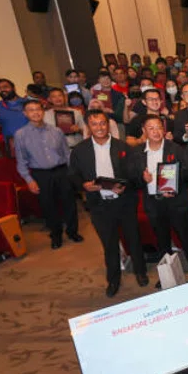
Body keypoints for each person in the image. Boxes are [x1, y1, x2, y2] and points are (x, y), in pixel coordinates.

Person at [69, 110, 148, 297]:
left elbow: (134, 176)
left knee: (133, 239)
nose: (99, 127)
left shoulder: (123, 147)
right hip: (99, 205)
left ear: (108, 124)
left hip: (124, 202)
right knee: (109, 243)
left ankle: (140, 272)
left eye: (102, 123)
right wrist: (84, 186)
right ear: (88, 127)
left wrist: (124, 187)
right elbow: (73, 175)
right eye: (94, 124)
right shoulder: (80, 150)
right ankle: (113, 279)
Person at [129, 114, 188, 283]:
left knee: (186, 238)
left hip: (176, 202)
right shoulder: (137, 152)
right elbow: (131, 178)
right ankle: (168, 275)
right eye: (151, 128)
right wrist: (143, 179)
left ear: (164, 129)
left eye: (158, 127)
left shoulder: (175, 148)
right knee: (162, 241)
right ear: (144, 131)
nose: (156, 132)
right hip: (153, 204)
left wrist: (175, 181)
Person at [15, 100, 82, 249]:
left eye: (38, 109)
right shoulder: (20, 135)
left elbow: (66, 153)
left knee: (69, 203)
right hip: (41, 174)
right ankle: (56, 235)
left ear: (43, 111)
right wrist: (29, 180)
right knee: (48, 206)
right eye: (31, 110)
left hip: (61, 171)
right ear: (25, 114)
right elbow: (21, 161)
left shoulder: (56, 131)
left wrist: (71, 173)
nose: (35, 113)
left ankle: (72, 232)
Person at [0, 79, 30, 153]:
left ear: (13, 88)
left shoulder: (28, 102)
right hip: (13, 146)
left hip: (33, 143)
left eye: (5, 87)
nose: (2, 90)